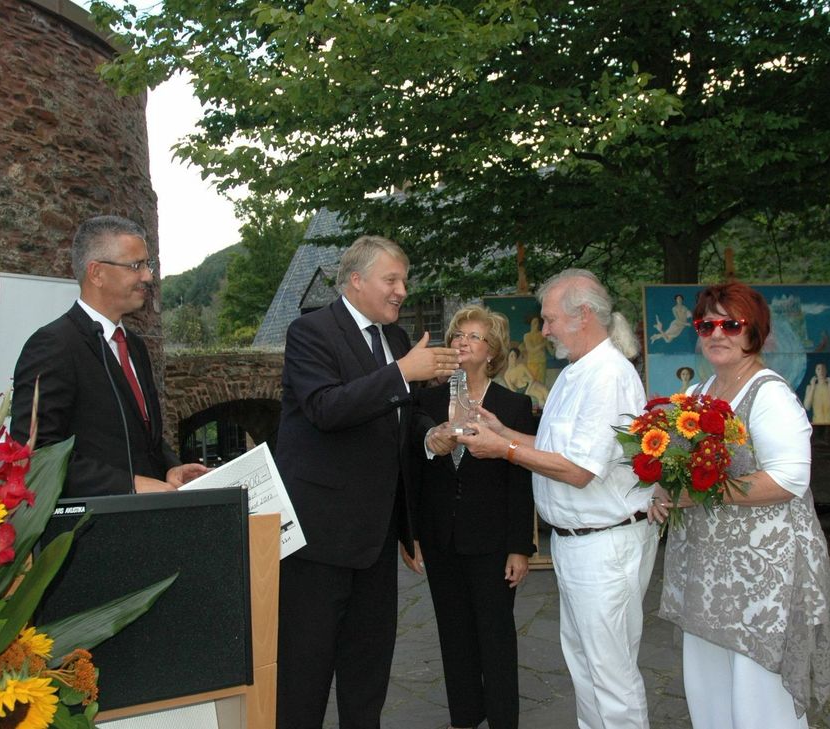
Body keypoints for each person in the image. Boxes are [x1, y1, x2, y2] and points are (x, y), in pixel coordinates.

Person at [273, 235, 461, 729]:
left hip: (376, 538)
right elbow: (326, 409)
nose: (402, 290)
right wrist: (402, 373)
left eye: (404, 279)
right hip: (319, 540)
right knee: (304, 674)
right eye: (391, 280)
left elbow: (404, 419)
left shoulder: (396, 341)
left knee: (368, 671)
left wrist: (431, 436)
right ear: (356, 281)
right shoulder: (310, 332)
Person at [460, 269, 656, 729]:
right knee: (586, 667)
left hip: (604, 544)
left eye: (549, 320)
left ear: (583, 314)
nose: (543, 331)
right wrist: (503, 430)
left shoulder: (607, 375)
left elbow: (580, 471)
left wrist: (502, 449)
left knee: (610, 673)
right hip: (575, 543)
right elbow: (557, 450)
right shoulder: (575, 373)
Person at [649, 282, 830, 729]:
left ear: (755, 332)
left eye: (731, 324)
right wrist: (663, 489)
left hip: (762, 574)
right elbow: (682, 465)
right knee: (709, 685)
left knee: (757, 695)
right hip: (709, 570)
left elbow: (789, 478)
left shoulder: (770, 394)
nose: (718, 333)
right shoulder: (702, 391)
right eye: (707, 323)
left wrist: (696, 494)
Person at [10, 215, 208, 497]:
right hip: (94, 531)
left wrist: (171, 468)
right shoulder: (53, 346)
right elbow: (36, 455)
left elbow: (143, 439)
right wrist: (129, 485)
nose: (148, 277)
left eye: (147, 265)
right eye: (135, 266)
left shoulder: (135, 347)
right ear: (96, 273)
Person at [414, 305, 535, 729]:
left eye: (473, 337)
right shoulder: (425, 400)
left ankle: (503, 720)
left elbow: (521, 483)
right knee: (454, 636)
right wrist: (411, 535)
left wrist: (520, 547)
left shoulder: (514, 405)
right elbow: (413, 472)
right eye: (457, 336)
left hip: (493, 542)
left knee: (496, 638)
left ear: (492, 352)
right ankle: (464, 718)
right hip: (440, 539)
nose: (462, 343)